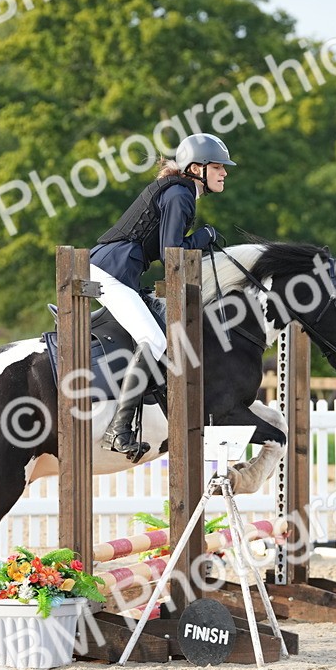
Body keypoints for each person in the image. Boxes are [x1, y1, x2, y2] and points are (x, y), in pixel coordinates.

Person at [91, 133, 232, 462]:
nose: (224, 173)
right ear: (197, 168)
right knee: (154, 340)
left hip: (118, 270)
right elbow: (173, 256)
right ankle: (119, 430)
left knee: (158, 335)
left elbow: (163, 248)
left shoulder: (179, 192)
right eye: (218, 167)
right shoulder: (181, 194)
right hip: (111, 272)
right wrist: (204, 235)